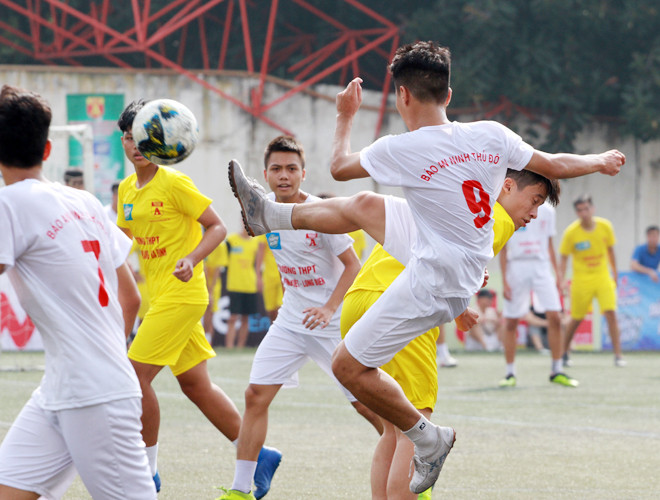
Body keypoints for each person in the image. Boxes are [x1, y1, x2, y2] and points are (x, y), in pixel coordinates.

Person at [228, 41, 624, 493]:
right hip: (438, 252)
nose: (532, 211)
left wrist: (345, 114)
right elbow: (552, 164)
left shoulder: (403, 148)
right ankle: (269, 215)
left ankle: (429, 440)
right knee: (365, 205)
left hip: (436, 276)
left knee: (347, 368)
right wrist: (600, 160)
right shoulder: (491, 134)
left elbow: (337, 166)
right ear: (449, 95)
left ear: (402, 95)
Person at [340, 177, 548, 500]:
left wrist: (461, 304)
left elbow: (440, 258)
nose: (534, 214)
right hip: (399, 304)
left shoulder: (456, 193)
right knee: (417, 429)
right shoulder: (495, 217)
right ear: (507, 186)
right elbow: (447, 268)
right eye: (534, 200)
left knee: (394, 429)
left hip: (358, 300)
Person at [116, 99, 281, 495]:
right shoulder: (125, 190)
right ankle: (260, 455)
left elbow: (217, 227)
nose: (137, 144)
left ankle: (146, 472)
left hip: (183, 296)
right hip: (159, 298)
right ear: (123, 141)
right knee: (195, 385)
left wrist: (191, 259)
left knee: (135, 378)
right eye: (129, 137)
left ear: (160, 140)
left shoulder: (174, 182)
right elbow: (120, 242)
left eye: (143, 136)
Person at [0, 85, 155, 499]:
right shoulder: (85, 202)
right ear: (47, 149)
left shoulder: (8, 204)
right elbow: (131, 298)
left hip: (94, 394)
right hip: (63, 387)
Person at [219, 136, 382, 500]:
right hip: (291, 321)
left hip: (332, 324)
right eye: (276, 169)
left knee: (367, 405)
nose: (284, 175)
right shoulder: (264, 211)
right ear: (266, 174)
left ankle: (410, 462)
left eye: (292, 169)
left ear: (303, 174)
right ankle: (240, 489)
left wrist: (328, 308)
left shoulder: (319, 213)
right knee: (255, 395)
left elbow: (353, 265)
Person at [499, 201, 578, 387]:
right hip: (516, 266)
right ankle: (510, 373)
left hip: (541, 266)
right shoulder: (511, 203)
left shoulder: (548, 210)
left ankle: (557, 370)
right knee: (511, 321)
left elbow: (549, 244)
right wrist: (504, 280)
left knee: (555, 317)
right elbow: (503, 246)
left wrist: (558, 276)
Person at [559, 195, 625, 367]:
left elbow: (611, 251)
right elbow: (564, 257)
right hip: (581, 280)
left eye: (586, 208)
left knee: (611, 313)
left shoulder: (605, 226)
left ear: (592, 209)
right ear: (576, 212)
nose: (584, 213)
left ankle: (618, 355)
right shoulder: (571, 233)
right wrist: (561, 279)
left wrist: (615, 273)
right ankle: (564, 352)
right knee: (576, 318)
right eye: (580, 210)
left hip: (602, 276)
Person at [224, 228, 265, 348]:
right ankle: (229, 347)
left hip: (250, 284)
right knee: (233, 317)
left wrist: (259, 279)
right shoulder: (231, 240)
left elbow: (258, 264)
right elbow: (224, 261)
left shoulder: (257, 241)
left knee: (245, 318)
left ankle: (240, 347)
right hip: (234, 285)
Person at [260, 240, 283, 322]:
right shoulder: (265, 234)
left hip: (283, 276)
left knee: (281, 307)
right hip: (269, 277)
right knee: (270, 311)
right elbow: (260, 251)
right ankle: (273, 328)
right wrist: (258, 276)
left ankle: (281, 329)